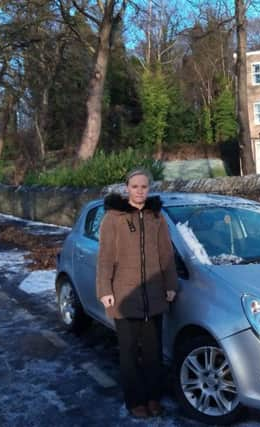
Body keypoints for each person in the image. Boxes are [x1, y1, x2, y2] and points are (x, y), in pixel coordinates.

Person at [96, 168, 178, 419]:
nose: (140, 191)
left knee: (153, 353)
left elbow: (166, 253)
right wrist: (105, 289)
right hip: (125, 295)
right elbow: (105, 257)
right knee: (129, 354)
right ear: (127, 188)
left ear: (148, 189)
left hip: (153, 295)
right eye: (135, 187)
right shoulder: (114, 217)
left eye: (144, 187)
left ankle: (153, 397)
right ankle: (135, 400)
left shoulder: (157, 216)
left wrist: (170, 284)